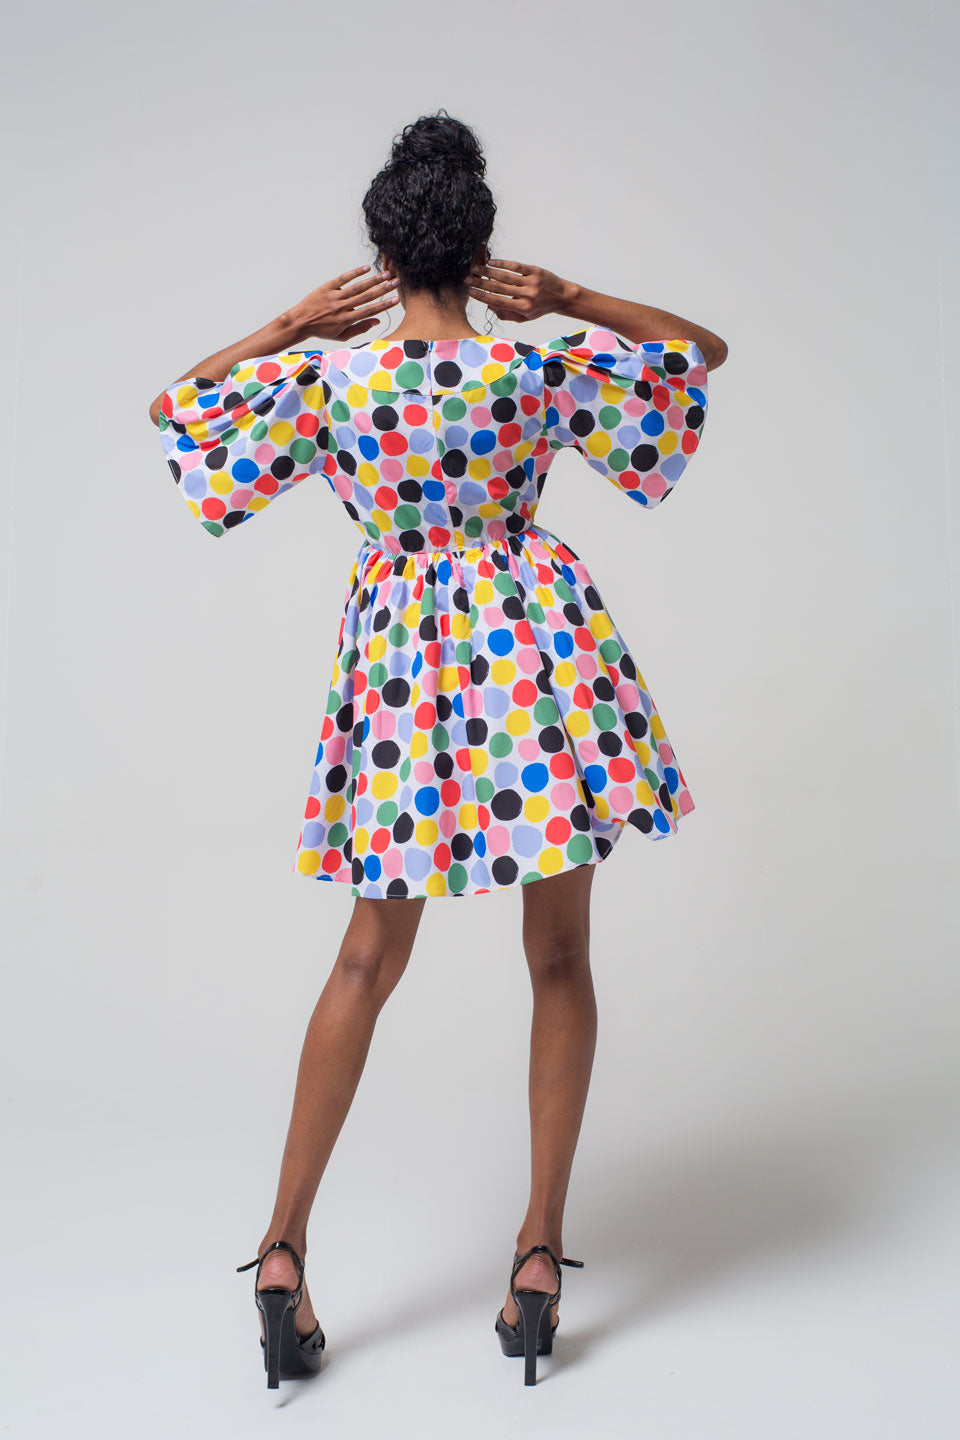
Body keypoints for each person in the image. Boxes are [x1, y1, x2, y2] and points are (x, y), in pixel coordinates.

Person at [148, 109, 727, 1389]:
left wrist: (293, 325)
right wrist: (570, 299)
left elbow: (173, 412)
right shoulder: (534, 372)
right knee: (560, 956)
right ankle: (538, 1255)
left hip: (402, 667)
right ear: (480, 255)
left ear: (380, 255)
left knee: (367, 955)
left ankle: (283, 1250)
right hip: (537, 660)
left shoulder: (334, 384)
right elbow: (700, 357)